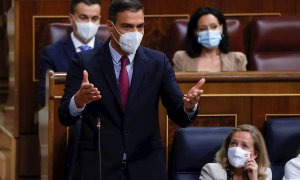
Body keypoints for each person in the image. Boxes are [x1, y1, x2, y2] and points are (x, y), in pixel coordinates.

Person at [58, 0, 205, 179]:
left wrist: (189, 106)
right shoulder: (84, 62)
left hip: (146, 165)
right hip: (99, 166)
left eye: (140, 26)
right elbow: (64, 115)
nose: (135, 33)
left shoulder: (158, 62)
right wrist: (78, 101)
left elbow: (179, 115)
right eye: (127, 26)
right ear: (110, 27)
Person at [38, 0, 102, 107]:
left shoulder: (108, 51)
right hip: (68, 118)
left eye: (94, 18)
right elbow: (43, 97)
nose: (89, 23)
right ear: (71, 19)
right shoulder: (51, 53)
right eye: (83, 17)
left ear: (99, 20)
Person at [173, 7, 247, 72]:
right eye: (203, 29)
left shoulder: (238, 59)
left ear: (221, 28)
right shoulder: (181, 59)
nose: (209, 32)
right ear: (196, 32)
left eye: (214, 27)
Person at [200, 124, 272, 180]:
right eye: (233, 143)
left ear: (255, 154)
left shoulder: (264, 173)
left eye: (244, 145)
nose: (237, 149)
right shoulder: (212, 170)